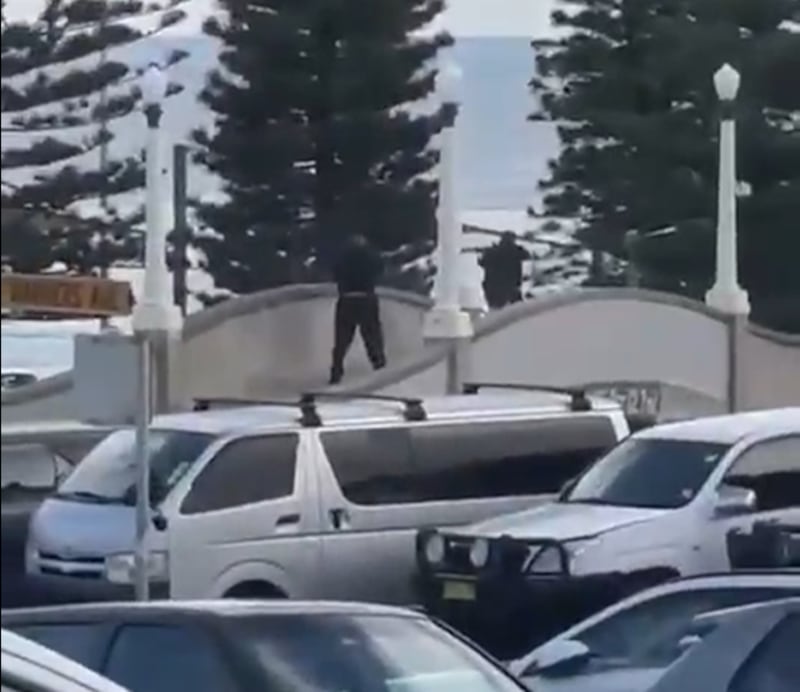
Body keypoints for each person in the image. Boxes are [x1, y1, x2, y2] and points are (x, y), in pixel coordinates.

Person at [329, 234, 387, 384]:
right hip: (366, 298)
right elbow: (380, 269)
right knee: (372, 336)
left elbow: (335, 273)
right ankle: (380, 367)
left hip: (347, 298)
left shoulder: (343, 257)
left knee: (342, 340)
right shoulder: (371, 256)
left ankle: (336, 371)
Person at [479, 231, 529, 309]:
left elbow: (482, 262)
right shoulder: (516, 251)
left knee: (495, 310)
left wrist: (485, 252)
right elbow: (526, 255)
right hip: (510, 286)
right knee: (518, 310)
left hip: (493, 287)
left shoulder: (491, 252)